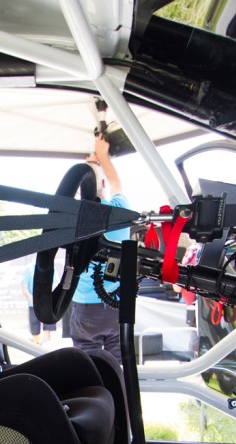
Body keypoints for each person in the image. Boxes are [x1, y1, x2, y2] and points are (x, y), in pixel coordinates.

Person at [69, 135, 131, 354]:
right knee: (118, 366)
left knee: (88, 368)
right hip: (117, 304)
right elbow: (117, 184)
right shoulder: (120, 211)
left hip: (85, 309)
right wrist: (102, 157)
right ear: (102, 184)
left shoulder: (70, 218)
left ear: (77, 190)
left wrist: (88, 169)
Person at [21, 263, 56, 344]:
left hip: (47, 303)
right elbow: (24, 288)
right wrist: (33, 301)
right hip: (33, 304)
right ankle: (36, 344)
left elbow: (55, 283)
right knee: (34, 328)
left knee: (48, 326)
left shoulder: (51, 266)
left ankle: (46, 345)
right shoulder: (29, 269)